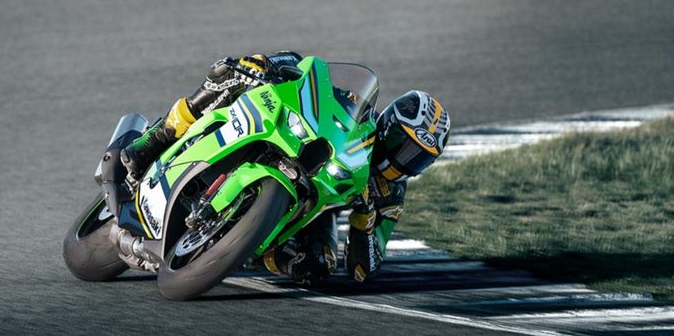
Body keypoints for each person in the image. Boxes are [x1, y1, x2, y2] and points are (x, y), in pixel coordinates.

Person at [120, 51, 451, 285]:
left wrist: (364, 216)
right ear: (389, 126)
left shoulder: (391, 195)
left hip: (316, 208)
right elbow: (310, 78)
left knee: (317, 266)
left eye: (419, 157)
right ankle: (158, 136)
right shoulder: (358, 113)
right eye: (404, 146)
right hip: (294, 147)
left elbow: (364, 268)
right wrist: (272, 66)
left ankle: (246, 247)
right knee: (234, 73)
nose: (404, 160)